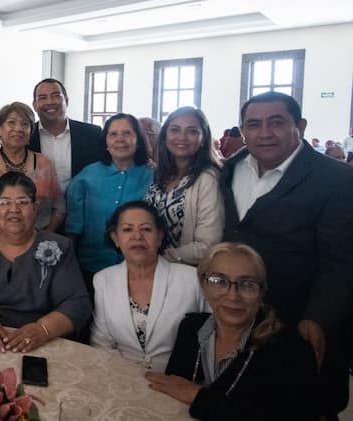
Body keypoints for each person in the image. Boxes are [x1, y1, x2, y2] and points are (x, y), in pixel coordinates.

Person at [219, 91, 353, 416]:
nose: (264, 132)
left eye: (276, 122)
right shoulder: (229, 169)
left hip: (298, 320)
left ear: (300, 126)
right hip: (238, 315)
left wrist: (319, 317)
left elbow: (342, 263)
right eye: (253, 124)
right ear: (243, 130)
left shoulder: (337, 179)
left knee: (301, 406)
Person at [145, 243, 320, 420]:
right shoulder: (190, 328)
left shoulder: (292, 350)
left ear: (262, 291)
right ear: (203, 286)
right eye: (218, 281)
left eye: (247, 284)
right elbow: (172, 391)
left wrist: (199, 396)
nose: (233, 296)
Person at [0, 172, 90, 353]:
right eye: (5, 202)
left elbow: (77, 304)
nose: (14, 210)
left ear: (35, 208)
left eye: (22, 202)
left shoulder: (58, 247)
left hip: (39, 343)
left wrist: (42, 329)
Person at [91, 201, 205, 372]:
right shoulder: (103, 279)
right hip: (119, 376)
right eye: (127, 229)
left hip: (176, 379)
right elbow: (101, 340)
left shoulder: (192, 280)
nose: (137, 236)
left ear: (160, 237)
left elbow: (212, 337)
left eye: (146, 229)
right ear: (115, 238)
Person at [66, 113, 154, 287]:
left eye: (127, 133)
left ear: (138, 140)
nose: (120, 139)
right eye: (113, 134)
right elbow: (74, 226)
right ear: (105, 142)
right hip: (92, 267)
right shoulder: (86, 176)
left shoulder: (153, 176)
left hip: (140, 268)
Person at [144, 107, 223, 265]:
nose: (182, 137)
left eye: (192, 131)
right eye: (175, 130)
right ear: (165, 135)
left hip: (184, 275)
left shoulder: (207, 178)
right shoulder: (159, 173)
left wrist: (159, 258)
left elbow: (208, 246)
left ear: (203, 139)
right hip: (152, 270)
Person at [0, 102, 65, 232]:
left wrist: (46, 236)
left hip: (41, 238)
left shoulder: (44, 163)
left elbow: (59, 207)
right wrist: (10, 232)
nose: (18, 129)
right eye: (11, 123)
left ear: (30, 132)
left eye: (25, 124)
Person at [29, 78, 102, 193]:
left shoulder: (93, 134)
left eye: (56, 95)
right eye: (42, 98)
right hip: (40, 209)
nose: (49, 102)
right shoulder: (27, 137)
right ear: (34, 105)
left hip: (85, 207)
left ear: (66, 101)